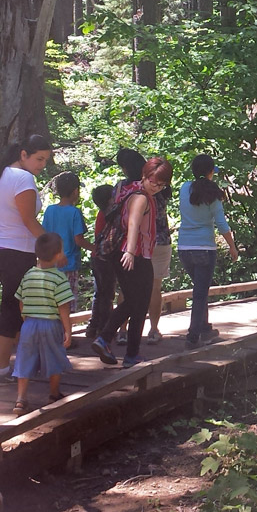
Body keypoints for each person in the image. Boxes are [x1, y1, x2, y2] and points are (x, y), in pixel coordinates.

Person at [0, 135, 55, 385]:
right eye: (38, 159)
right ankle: (1, 370)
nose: (42, 165)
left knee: (17, 305)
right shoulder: (24, 178)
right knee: (12, 308)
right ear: (23, 154)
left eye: (46, 160)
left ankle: (24, 363)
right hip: (17, 251)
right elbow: (29, 220)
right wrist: (53, 245)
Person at [94, 157, 171, 367]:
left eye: (162, 184)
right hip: (134, 255)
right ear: (145, 176)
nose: (156, 187)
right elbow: (133, 222)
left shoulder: (129, 189)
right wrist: (129, 251)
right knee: (138, 301)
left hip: (127, 254)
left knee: (136, 303)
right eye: (154, 181)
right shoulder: (141, 197)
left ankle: (127, 352)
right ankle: (108, 339)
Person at [177, 154, 241, 347]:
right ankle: (193, 335)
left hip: (184, 248)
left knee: (199, 289)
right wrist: (232, 247)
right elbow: (221, 224)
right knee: (200, 293)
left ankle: (203, 327)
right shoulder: (213, 194)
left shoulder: (184, 188)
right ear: (211, 172)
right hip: (204, 248)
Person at [11, 233, 75, 416]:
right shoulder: (59, 278)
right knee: (54, 356)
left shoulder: (29, 274)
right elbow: (63, 307)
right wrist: (68, 331)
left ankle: (21, 399)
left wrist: (26, 318)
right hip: (50, 324)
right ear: (58, 255)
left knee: (24, 358)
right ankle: (54, 394)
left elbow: (20, 299)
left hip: (29, 325)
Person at [42, 171, 93, 316]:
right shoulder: (74, 212)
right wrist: (95, 248)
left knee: (52, 299)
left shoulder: (50, 210)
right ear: (76, 191)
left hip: (51, 263)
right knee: (67, 300)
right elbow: (79, 240)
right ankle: (65, 333)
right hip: (68, 263)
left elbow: (44, 235)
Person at [145, 162, 175, 345]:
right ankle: (154, 329)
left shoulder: (134, 192)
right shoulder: (163, 194)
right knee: (155, 288)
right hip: (161, 242)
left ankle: (123, 331)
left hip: (143, 244)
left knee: (127, 287)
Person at [83, 182, 116, 345]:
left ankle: (93, 326)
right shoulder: (109, 215)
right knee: (107, 295)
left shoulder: (100, 214)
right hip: (106, 258)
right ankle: (104, 329)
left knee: (99, 293)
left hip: (96, 256)